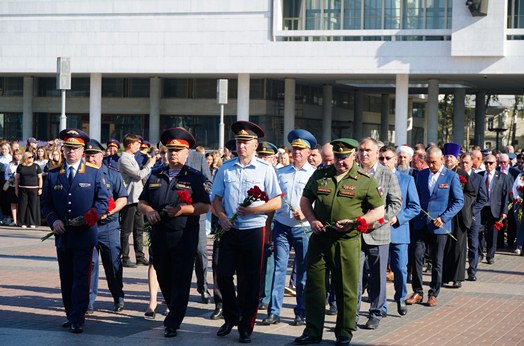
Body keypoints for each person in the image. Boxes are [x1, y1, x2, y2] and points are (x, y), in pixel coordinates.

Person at [295, 138, 385, 346]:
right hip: (320, 238)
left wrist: (358, 222)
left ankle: (344, 332)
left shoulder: (365, 180)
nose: (340, 162)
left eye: (345, 157)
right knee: (315, 286)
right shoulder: (321, 175)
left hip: (347, 241)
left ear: (354, 156)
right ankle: (313, 331)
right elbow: (305, 200)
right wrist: (312, 219)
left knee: (346, 288)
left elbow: (378, 211)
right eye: (337, 157)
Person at [211, 120, 282, 344]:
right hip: (230, 229)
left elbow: (277, 201)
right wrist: (221, 216)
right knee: (222, 275)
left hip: (254, 230)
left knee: (249, 280)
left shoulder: (265, 169)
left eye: (246, 142)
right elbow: (216, 199)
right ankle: (231, 316)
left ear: (255, 145)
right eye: (239, 142)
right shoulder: (226, 168)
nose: (241, 146)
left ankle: (245, 326)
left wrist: (255, 210)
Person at [138, 127, 210, 338]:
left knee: (181, 277)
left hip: (183, 236)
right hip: (160, 235)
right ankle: (172, 306)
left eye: (178, 150)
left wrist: (183, 210)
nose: (173, 154)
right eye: (170, 150)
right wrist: (149, 210)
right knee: (164, 275)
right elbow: (142, 201)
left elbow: (204, 206)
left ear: (187, 153)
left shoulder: (194, 177)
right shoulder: (155, 175)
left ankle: (173, 320)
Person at [41, 128, 110, 334]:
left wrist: (90, 217)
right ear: (63, 150)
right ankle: (70, 313)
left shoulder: (93, 172)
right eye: (68, 148)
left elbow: (103, 201)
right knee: (66, 276)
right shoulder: (53, 174)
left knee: (81, 276)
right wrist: (53, 221)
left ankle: (78, 317)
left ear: (82, 150)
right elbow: (46, 203)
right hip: (63, 234)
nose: (71, 152)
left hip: (84, 234)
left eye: (76, 148)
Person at [261, 129, 317, 327]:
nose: (297, 152)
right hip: (282, 226)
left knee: (302, 272)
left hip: (303, 227)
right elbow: (273, 200)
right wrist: (268, 226)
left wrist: (307, 213)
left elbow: (320, 202)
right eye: (294, 149)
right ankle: (274, 311)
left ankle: (300, 311)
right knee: (278, 269)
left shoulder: (315, 175)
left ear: (309, 152)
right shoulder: (280, 172)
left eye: (301, 149)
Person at [406, 146, 464, 308]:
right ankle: (417, 291)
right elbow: (416, 197)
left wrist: (444, 218)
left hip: (439, 226)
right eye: (428, 162)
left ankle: (433, 293)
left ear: (442, 160)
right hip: (421, 224)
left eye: (434, 163)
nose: (431, 166)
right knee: (417, 257)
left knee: (437, 261)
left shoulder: (451, 177)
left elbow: (458, 201)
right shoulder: (422, 174)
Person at [356, 137, 402, 330]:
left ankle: (375, 312)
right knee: (354, 276)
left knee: (377, 276)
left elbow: (396, 203)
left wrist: (380, 220)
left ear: (377, 153)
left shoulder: (387, 174)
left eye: (368, 151)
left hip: (378, 232)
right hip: (356, 233)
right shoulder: (353, 172)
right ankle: (352, 314)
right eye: (361, 150)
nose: (364, 154)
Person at [84, 139, 128, 314]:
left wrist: (109, 212)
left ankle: (118, 297)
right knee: (90, 264)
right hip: (88, 227)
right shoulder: (81, 175)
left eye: (94, 155)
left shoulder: (112, 174)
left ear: (102, 156)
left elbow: (123, 198)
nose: (90, 159)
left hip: (108, 226)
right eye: (87, 155)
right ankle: (88, 302)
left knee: (112, 263)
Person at [379, 146, 420, 317]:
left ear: (395, 159)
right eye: (381, 158)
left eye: (388, 158)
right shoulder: (373, 178)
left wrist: (399, 218)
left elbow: (415, 207)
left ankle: (400, 297)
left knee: (401, 268)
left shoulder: (406, 180)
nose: (384, 161)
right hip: (378, 232)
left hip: (398, 231)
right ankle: (380, 306)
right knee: (378, 270)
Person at [118, 134, 157, 268]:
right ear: (130, 145)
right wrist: (150, 165)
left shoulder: (132, 157)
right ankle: (125, 257)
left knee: (139, 229)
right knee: (126, 229)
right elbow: (138, 175)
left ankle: (139, 256)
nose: (138, 146)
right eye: (136, 144)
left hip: (137, 197)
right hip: (129, 198)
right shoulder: (124, 159)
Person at [441, 143, 476, 289]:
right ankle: (443, 276)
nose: (449, 159)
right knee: (444, 246)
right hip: (443, 214)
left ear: (457, 159)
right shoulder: (440, 172)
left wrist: (459, 198)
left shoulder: (462, 174)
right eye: (447, 156)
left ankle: (457, 277)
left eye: (452, 157)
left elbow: (471, 194)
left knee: (458, 247)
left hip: (459, 216)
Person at [185, 146, 213, 304]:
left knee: (201, 251)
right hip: (177, 214)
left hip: (197, 212)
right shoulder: (170, 159)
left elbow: (208, 182)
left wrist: (196, 193)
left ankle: (203, 287)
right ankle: (177, 289)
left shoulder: (198, 158)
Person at [256, 140, 279, 312]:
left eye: (268, 156)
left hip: (275, 222)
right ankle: (257, 293)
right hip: (256, 221)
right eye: (261, 155)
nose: (264, 159)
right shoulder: (257, 172)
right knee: (257, 260)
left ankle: (266, 296)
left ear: (275, 158)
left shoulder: (279, 174)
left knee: (270, 261)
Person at [459, 153, 488, 281]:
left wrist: (471, 211)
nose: (464, 165)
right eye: (462, 162)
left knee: (473, 244)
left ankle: (472, 270)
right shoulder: (456, 176)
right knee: (459, 244)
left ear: (472, 163)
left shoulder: (479, 178)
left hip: (473, 216)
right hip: (459, 216)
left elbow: (483, 199)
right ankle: (458, 270)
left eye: (466, 162)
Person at [478, 154, 512, 264]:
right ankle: (479, 254)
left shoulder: (502, 177)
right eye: (486, 163)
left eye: (491, 163)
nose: (488, 165)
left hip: (495, 208)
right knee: (479, 231)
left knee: (493, 233)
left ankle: (490, 255)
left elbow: (505, 196)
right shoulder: (479, 175)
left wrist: (504, 211)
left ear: (495, 163)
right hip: (481, 208)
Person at [15, 151, 42, 228]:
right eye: (30, 157)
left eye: (33, 157)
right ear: (25, 158)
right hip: (23, 189)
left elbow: (40, 178)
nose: (32, 158)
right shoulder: (20, 166)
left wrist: (40, 188)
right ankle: (22, 222)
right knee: (23, 206)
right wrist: (16, 189)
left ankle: (33, 222)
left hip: (34, 189)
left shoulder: (36, 166)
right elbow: (17, 179)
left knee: (33, 206)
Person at [5, 149, 22, 226]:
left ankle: (20, 220)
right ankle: (15, 220)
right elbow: (6, 174)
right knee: (13, 203)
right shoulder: (10, 164)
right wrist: (9, 179)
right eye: (16, 154)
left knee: (21, 203)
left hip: (21, 186)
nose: (18, 156)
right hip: (12, 186)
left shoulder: (24, 163)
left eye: (19, 154)